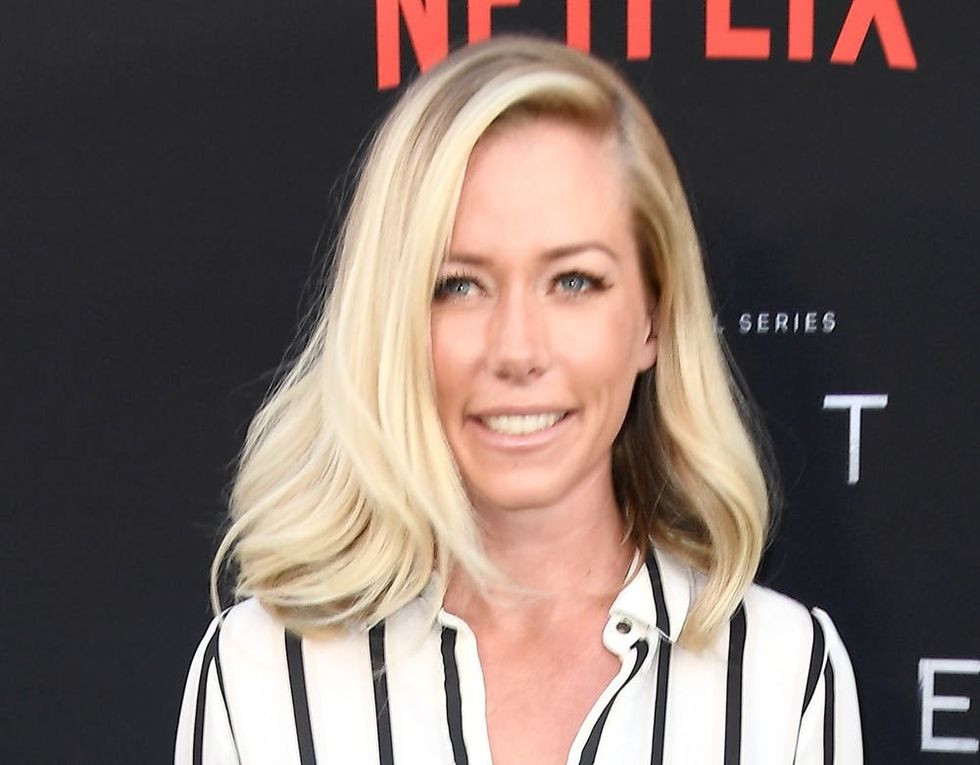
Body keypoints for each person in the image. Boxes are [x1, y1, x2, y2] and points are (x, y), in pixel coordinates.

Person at [175, 36, 862, 764]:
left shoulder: (782, 675)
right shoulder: (261, 674)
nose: (517, 350)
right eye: (459, 285)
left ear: (653, 319)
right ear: (392, 320)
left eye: (573, 281)